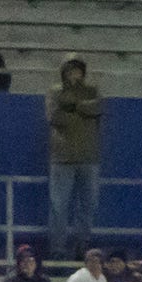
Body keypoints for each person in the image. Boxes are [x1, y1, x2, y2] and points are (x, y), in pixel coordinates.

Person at [48, 54, 103, 258]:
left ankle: (83, 246)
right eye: (70, 70)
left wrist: (73, 106)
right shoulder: (55, 92)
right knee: (58, 206)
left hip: (89, 157)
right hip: (62, 159)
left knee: (89, 205)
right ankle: (57, 249)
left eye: (78, 70)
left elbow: (98, 107)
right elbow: (55, 117)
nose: (74, 74)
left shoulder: (92, 91)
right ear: (64, 72)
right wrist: (82, 111)